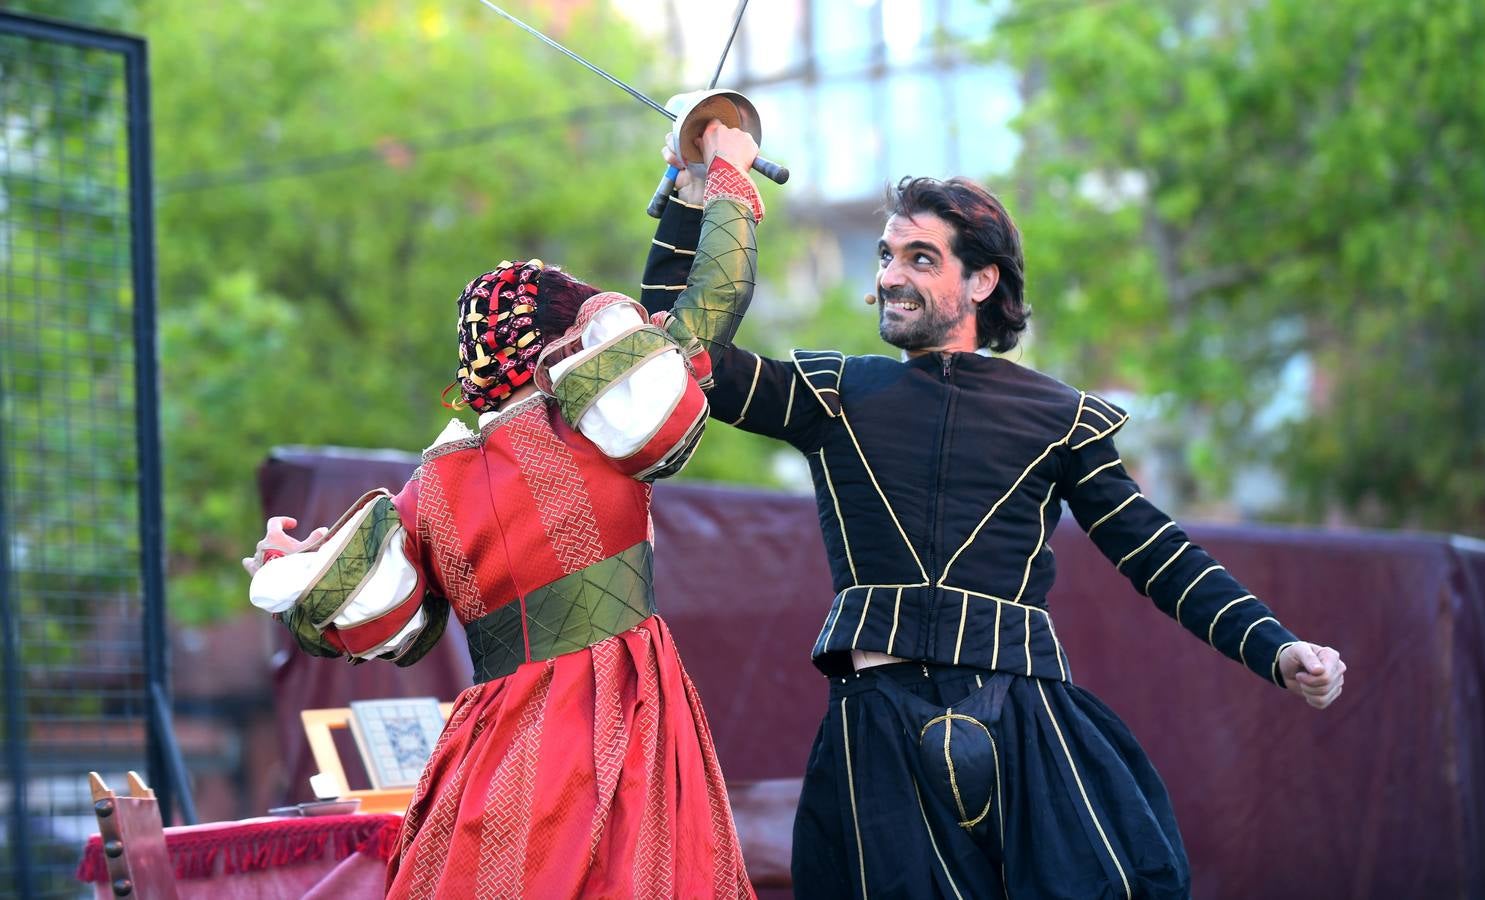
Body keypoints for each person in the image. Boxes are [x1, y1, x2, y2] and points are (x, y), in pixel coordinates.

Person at [642, 162, 1347, 898]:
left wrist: (1276, 647)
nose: (890, 276)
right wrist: (695, 192)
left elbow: (1157, 553)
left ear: (982, 281)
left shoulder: (1060, 417)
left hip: (1023, 722)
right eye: (886, 256)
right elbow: (672, 353)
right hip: (876, 731)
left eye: (921, 258)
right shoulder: (833, 394)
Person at [242, 121, 766, 899]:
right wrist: (726, 177)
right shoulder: (598, 427)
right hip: (614, 713)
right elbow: (705, 309)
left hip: (492, 743)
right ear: (561, 337)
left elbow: (359, 621)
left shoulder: (427, 489)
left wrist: (294, 568)